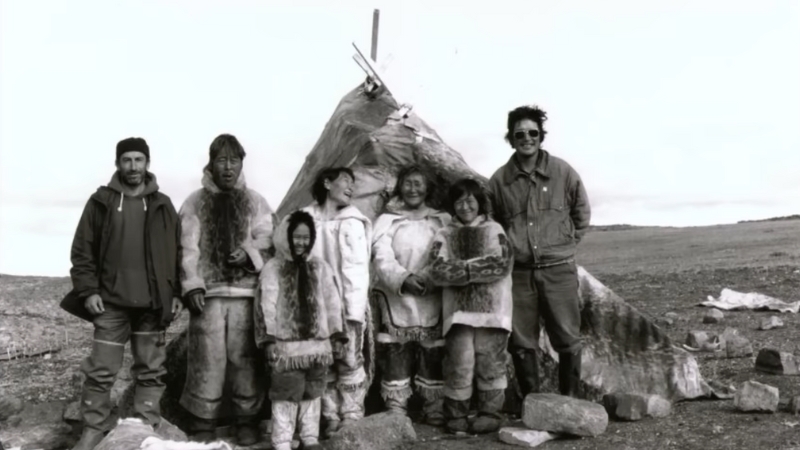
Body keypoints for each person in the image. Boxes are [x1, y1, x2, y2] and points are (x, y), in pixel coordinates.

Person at [60, 137, 182, 450]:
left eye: (138, 160)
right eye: (126, 160)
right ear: (117, 164)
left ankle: (144, 430)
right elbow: (82, 250)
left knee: (151, 371)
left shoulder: (163, 205)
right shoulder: (100, 201)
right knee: (101, 371)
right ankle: (94, 430)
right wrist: (88, 291)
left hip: (152, 304)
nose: (133, 166)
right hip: (109, 304)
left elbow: (178, 252)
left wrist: (177, 292)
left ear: (147, 164)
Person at [487, 105, 591, 398]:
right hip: (519, 275)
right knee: (522, 343)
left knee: (568, 338)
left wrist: (564, 245)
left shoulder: (563, 172)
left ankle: (569, 402)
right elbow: (492, 226)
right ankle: (533, 405)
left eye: (533, 132)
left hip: (559, 271)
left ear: (541, 136)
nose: (526, 138)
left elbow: (581, 214)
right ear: (511, 138)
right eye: (519, 134)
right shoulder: (499, 181)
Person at [178, 134, 274, 444]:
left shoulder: (256, 201)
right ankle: (203, 420)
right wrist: (191, 284)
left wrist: (249, 254)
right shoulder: (195, 202)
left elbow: (268, 239)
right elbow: (186, 248)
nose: (228, 167)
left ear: (242, 163)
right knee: (207, 358)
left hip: (247, 293)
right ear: (211, 163)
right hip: (208, 295)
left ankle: (246, 419)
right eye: (222, 160)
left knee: (245, 357)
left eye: (234, 160)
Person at [255, 210, 348, 450]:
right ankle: (283, 441)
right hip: (286, 348)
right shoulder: (273, 268)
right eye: (296, 237)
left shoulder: (320, 266)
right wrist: (269, 339)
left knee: (313, 391)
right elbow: (267, 305)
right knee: (286, 393)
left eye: (306, 237)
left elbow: (332, 301)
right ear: (285, 236)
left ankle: (309, 438)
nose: (301, 242)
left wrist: (337, 334)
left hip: (318, 347)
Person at [427, 178, 514, 434]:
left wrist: (461, 268)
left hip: (493, 311)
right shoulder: (444, 233)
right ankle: (456, 416)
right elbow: (436, 270)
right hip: (458, 313)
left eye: (470, 200)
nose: (464, 206)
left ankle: (490, 413)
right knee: (459, 362)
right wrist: (477, 266)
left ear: (479, 202)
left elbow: (501, 265)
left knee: (491, 362)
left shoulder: (494, 229)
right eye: (459, 201)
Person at [371, 165, 450, 425]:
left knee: (432, 350)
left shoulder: (441, 220)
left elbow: (445, 252)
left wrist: (427, 278)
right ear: (399, 187)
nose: (413, 189)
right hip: (397, 295)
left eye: (418, 183)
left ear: (427, 187)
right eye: (408, 183)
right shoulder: (388, 220)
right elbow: (381, 254)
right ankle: (396, 406)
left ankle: (433, 404)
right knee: (395, 350)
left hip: (431, 294)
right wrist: (403, 278)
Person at [299, 167, 372, 438]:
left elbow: (357, 269)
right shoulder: (305, 219)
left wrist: (353, 311)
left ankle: (352, 416)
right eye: (346, 181)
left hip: (345, 305)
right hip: (316, 307)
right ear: (327, 182)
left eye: (354, 183)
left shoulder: (354, 221)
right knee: (322, 363)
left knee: (349, 360)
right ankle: (330, 417)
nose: (351, 187)